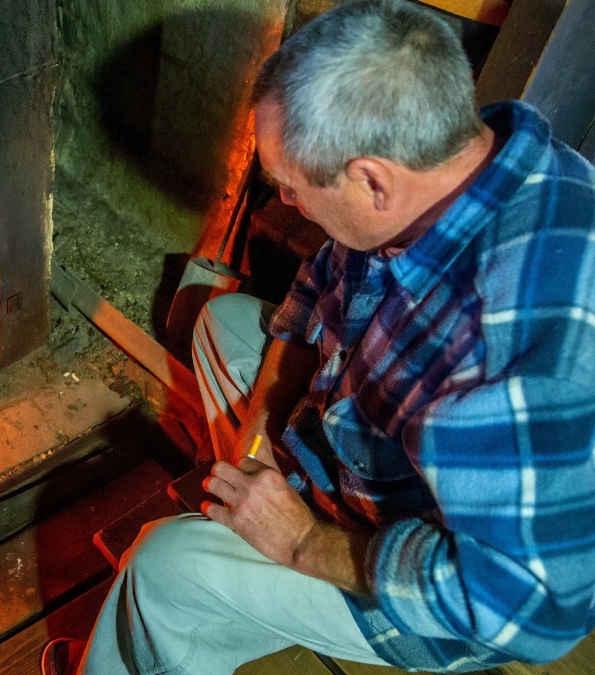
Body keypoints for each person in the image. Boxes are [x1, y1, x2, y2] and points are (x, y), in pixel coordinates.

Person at [46, 1, 595, 673]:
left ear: (371, 181)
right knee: (219, 322)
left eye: (292, 187)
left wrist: (303, 541)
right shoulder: (461, 161)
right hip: (360, 453)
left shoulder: (513, 350)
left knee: (162, 566)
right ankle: (224, 596)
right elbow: (314, 295)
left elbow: (531, 611)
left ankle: (178, 613)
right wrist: (258, 441)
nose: (284, 205)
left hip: (432, 576)